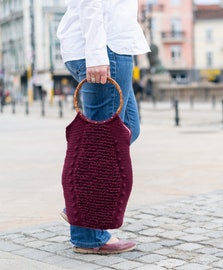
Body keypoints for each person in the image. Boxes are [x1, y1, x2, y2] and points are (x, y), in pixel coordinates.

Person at [57, 0, 150, 255]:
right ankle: (88, 235)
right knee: (101, 143)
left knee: (129, 128)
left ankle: (78, 205)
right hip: (103, 50)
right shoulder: (100, 52)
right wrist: (96, 55)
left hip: (114, 46)